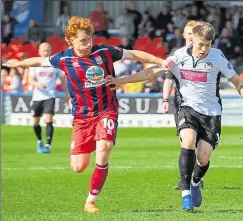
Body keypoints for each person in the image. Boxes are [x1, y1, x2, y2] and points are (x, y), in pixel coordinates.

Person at [3, 16, 165, 213]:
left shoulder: (105, 51)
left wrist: (159, 60)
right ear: (70, 40)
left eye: (89, 39)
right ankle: (82, 153)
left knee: (104, 148)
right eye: (83, 40)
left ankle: (90, 200)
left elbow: (134, 55)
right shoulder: (64, 58)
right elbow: (39, 61)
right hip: (82, 116)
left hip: (107, 110)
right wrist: (18, 63)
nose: (88, 44)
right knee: (78, 167)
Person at [105, 22, 243, 212]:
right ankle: (186, 193)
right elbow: (152, 71)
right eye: (200, 44)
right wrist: (123, 80)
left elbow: (237, 81)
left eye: (208, 45)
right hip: (187, 108)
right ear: (192, 40)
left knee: (203, 158)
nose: (203, 49)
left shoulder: (217, 57)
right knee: (188, 141)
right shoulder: (178, 56)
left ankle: (195, 182)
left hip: (211, 114)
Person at [162, 20, 204, 190]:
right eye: (187, 33)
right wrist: (165, 100)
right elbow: (168, 79)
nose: (189, 36)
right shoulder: (176, 54)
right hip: (182, 104)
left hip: (203, 105)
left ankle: (196, 177)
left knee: (200, 144)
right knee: (186, 141)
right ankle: (186, 179)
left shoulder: (205, 53)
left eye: (192, 33)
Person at [28, 42, 68, 153]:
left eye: (48, 50)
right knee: (35, 122)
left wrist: (67, 95)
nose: (46, 52)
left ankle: (48, 145)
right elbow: (30, 79)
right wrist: (37, 84)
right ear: (39, 51)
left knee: (48, 119)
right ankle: (40, 141)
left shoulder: (55, 64)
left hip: (50, 96)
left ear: (51, 50)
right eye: (44, 50)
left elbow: (63, 81)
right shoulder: (35, 64)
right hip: (37, 97)